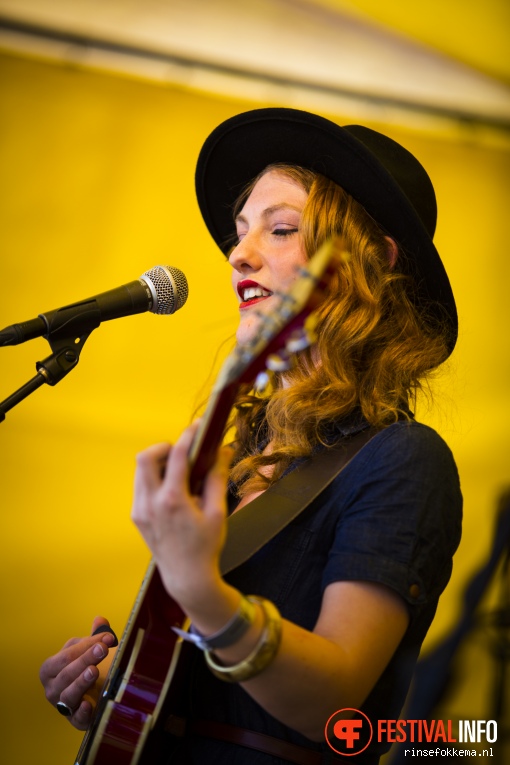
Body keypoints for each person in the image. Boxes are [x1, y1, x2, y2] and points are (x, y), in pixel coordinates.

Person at [39, 108, 463, 764]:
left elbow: (338, 706)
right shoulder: (239, 445)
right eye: (241, 234)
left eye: (283, 228)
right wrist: (128, 684)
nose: (239, 253)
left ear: (375, 264)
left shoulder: (405, 458)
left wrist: (199, 591)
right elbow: (213, 671)